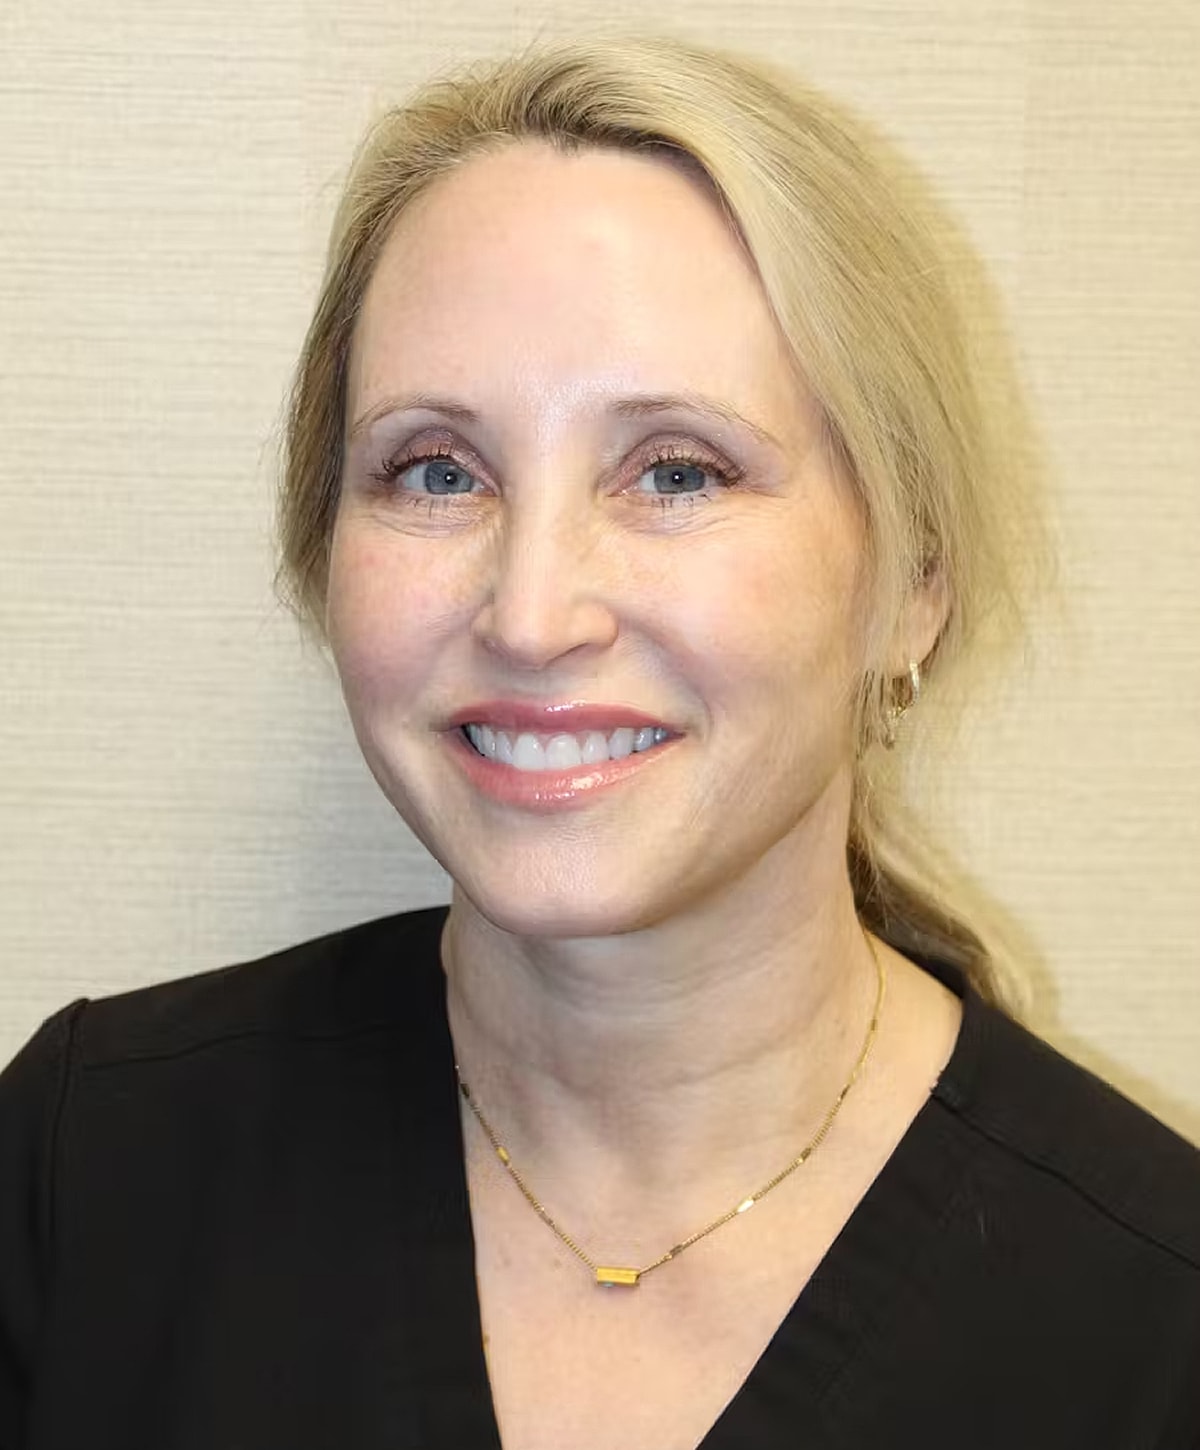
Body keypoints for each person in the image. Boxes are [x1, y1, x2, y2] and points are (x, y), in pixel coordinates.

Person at [2, 32, 1198, 1450]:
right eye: (435, 470)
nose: (530, 611)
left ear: (912, 588)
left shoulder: (1150, 1326)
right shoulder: (91, 1172)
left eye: (677, 471)